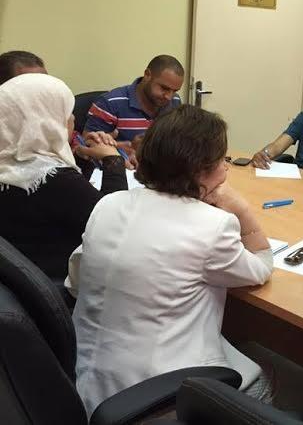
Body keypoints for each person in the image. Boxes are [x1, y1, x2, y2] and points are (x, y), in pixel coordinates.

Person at [69, 104, 274, 417]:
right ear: (200, 170)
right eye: (222, 160)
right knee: (262, 380)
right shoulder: (212, 225)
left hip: (81, 376)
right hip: (150, 393)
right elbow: (260, 268)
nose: (227, 168)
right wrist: (241, 210)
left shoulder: (109, 203)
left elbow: (76, 282)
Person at [0, 73, 126, 281]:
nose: (73, 119)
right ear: (43, 121)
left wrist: (83, 155)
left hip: (22, 281)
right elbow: (114, 220)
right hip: (63, 282)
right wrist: (113, 160)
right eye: (66, 113)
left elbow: (66, 203)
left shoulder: (12, 163)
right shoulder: (55, 180)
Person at [83, 54, 184, 165]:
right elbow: (85, 148)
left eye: (175, 91)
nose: (169, 97)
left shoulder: (174, 101)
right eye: (164, 88)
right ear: (147, 75)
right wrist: (119, 151)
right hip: (120, 171)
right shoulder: (110, 103)